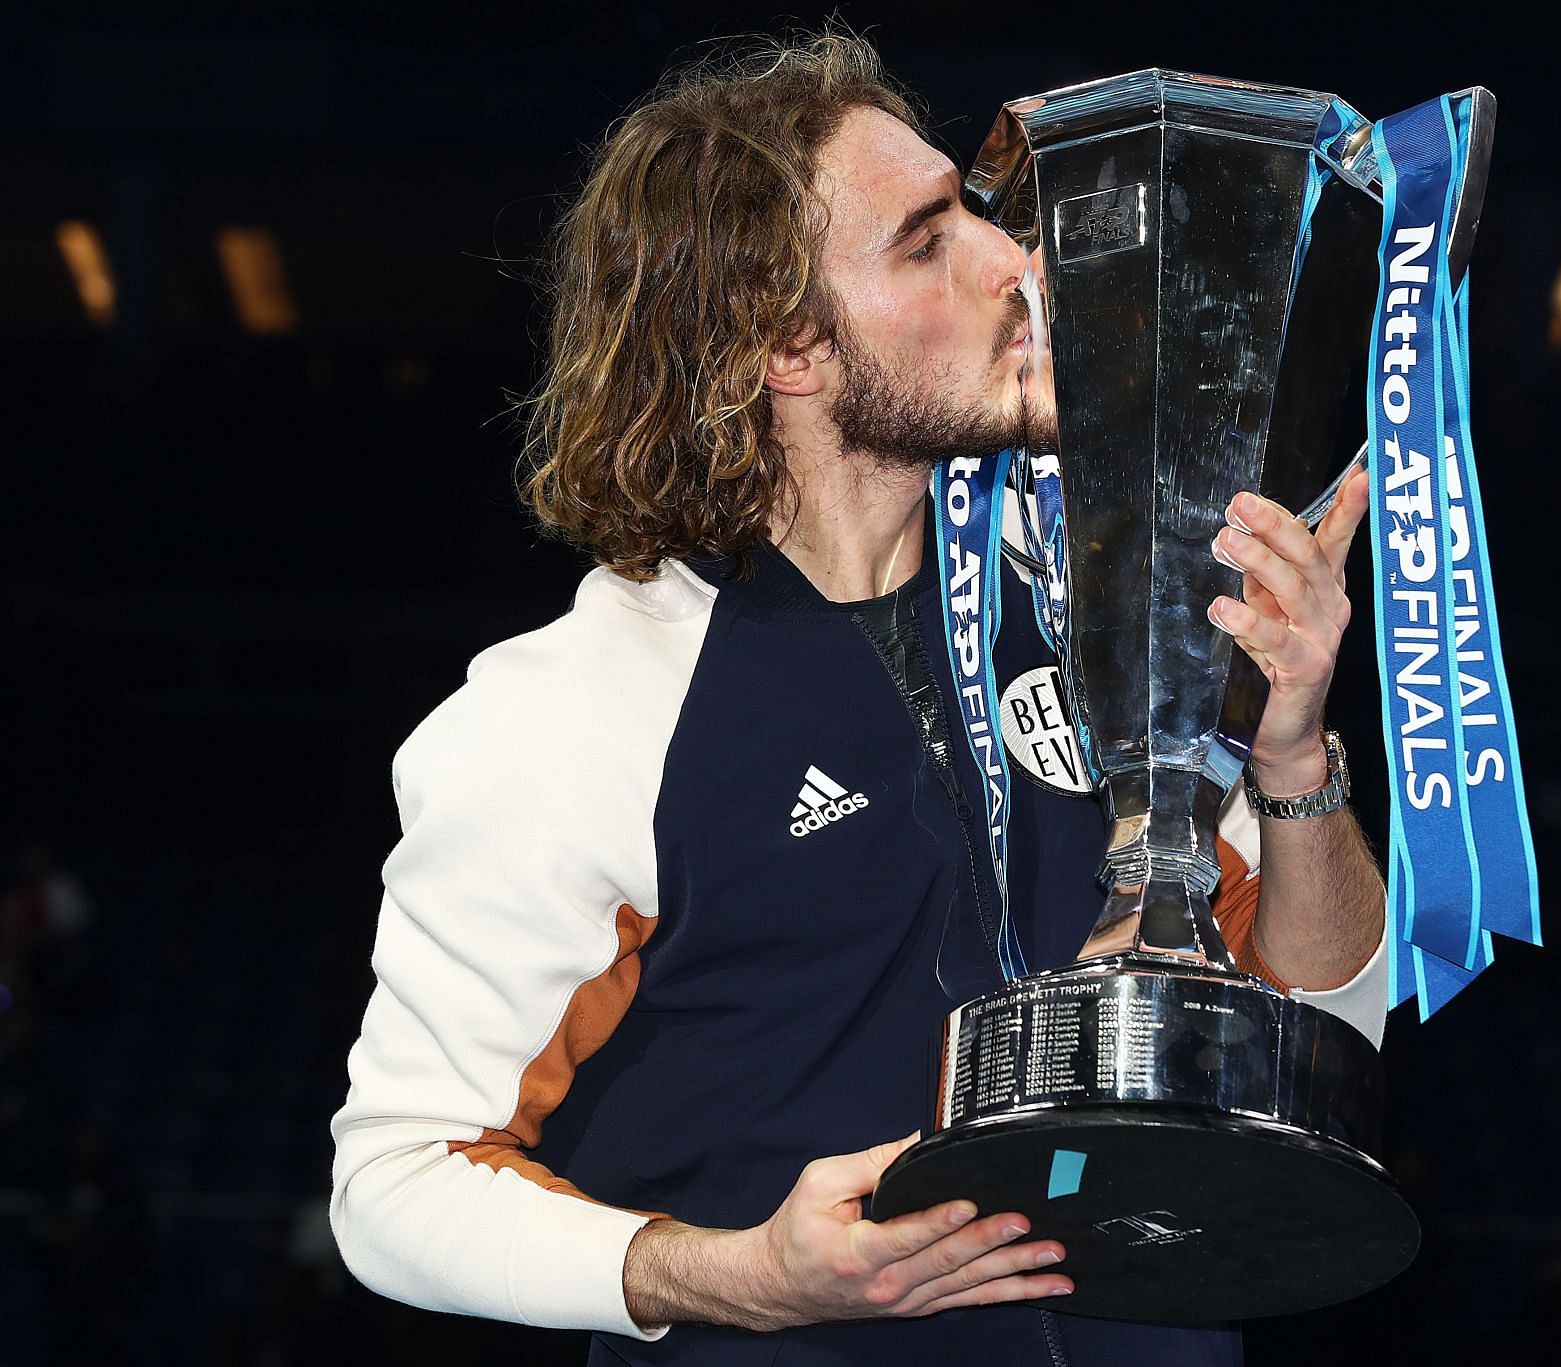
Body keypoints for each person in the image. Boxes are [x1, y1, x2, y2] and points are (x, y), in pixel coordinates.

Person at [329, 27, 1388, 1367]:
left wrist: (1294, 752)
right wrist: (737, 1276)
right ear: (789, 350)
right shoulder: (576, 714)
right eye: (927, 239)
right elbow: (392, 1186)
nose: (1019, 261)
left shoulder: (1104, 606)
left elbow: (1330, 1029)